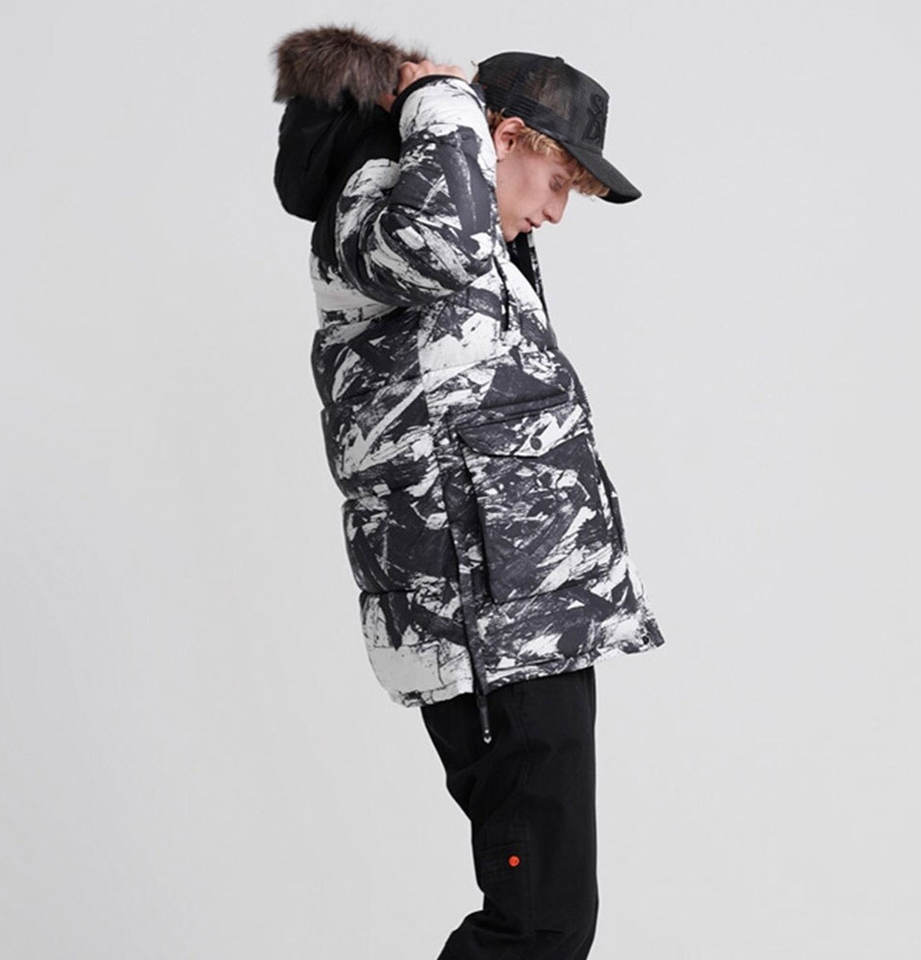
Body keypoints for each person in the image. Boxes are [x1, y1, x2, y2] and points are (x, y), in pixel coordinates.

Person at [272, 24, 666, 958]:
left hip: (526, 621)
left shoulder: (463, 231)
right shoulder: (384, 205)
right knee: (537, 928)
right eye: (558, 180)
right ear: (504, 136)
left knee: (548, 921)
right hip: (489, 631)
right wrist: (442, 99)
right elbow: (438, 250)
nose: (558, 213)